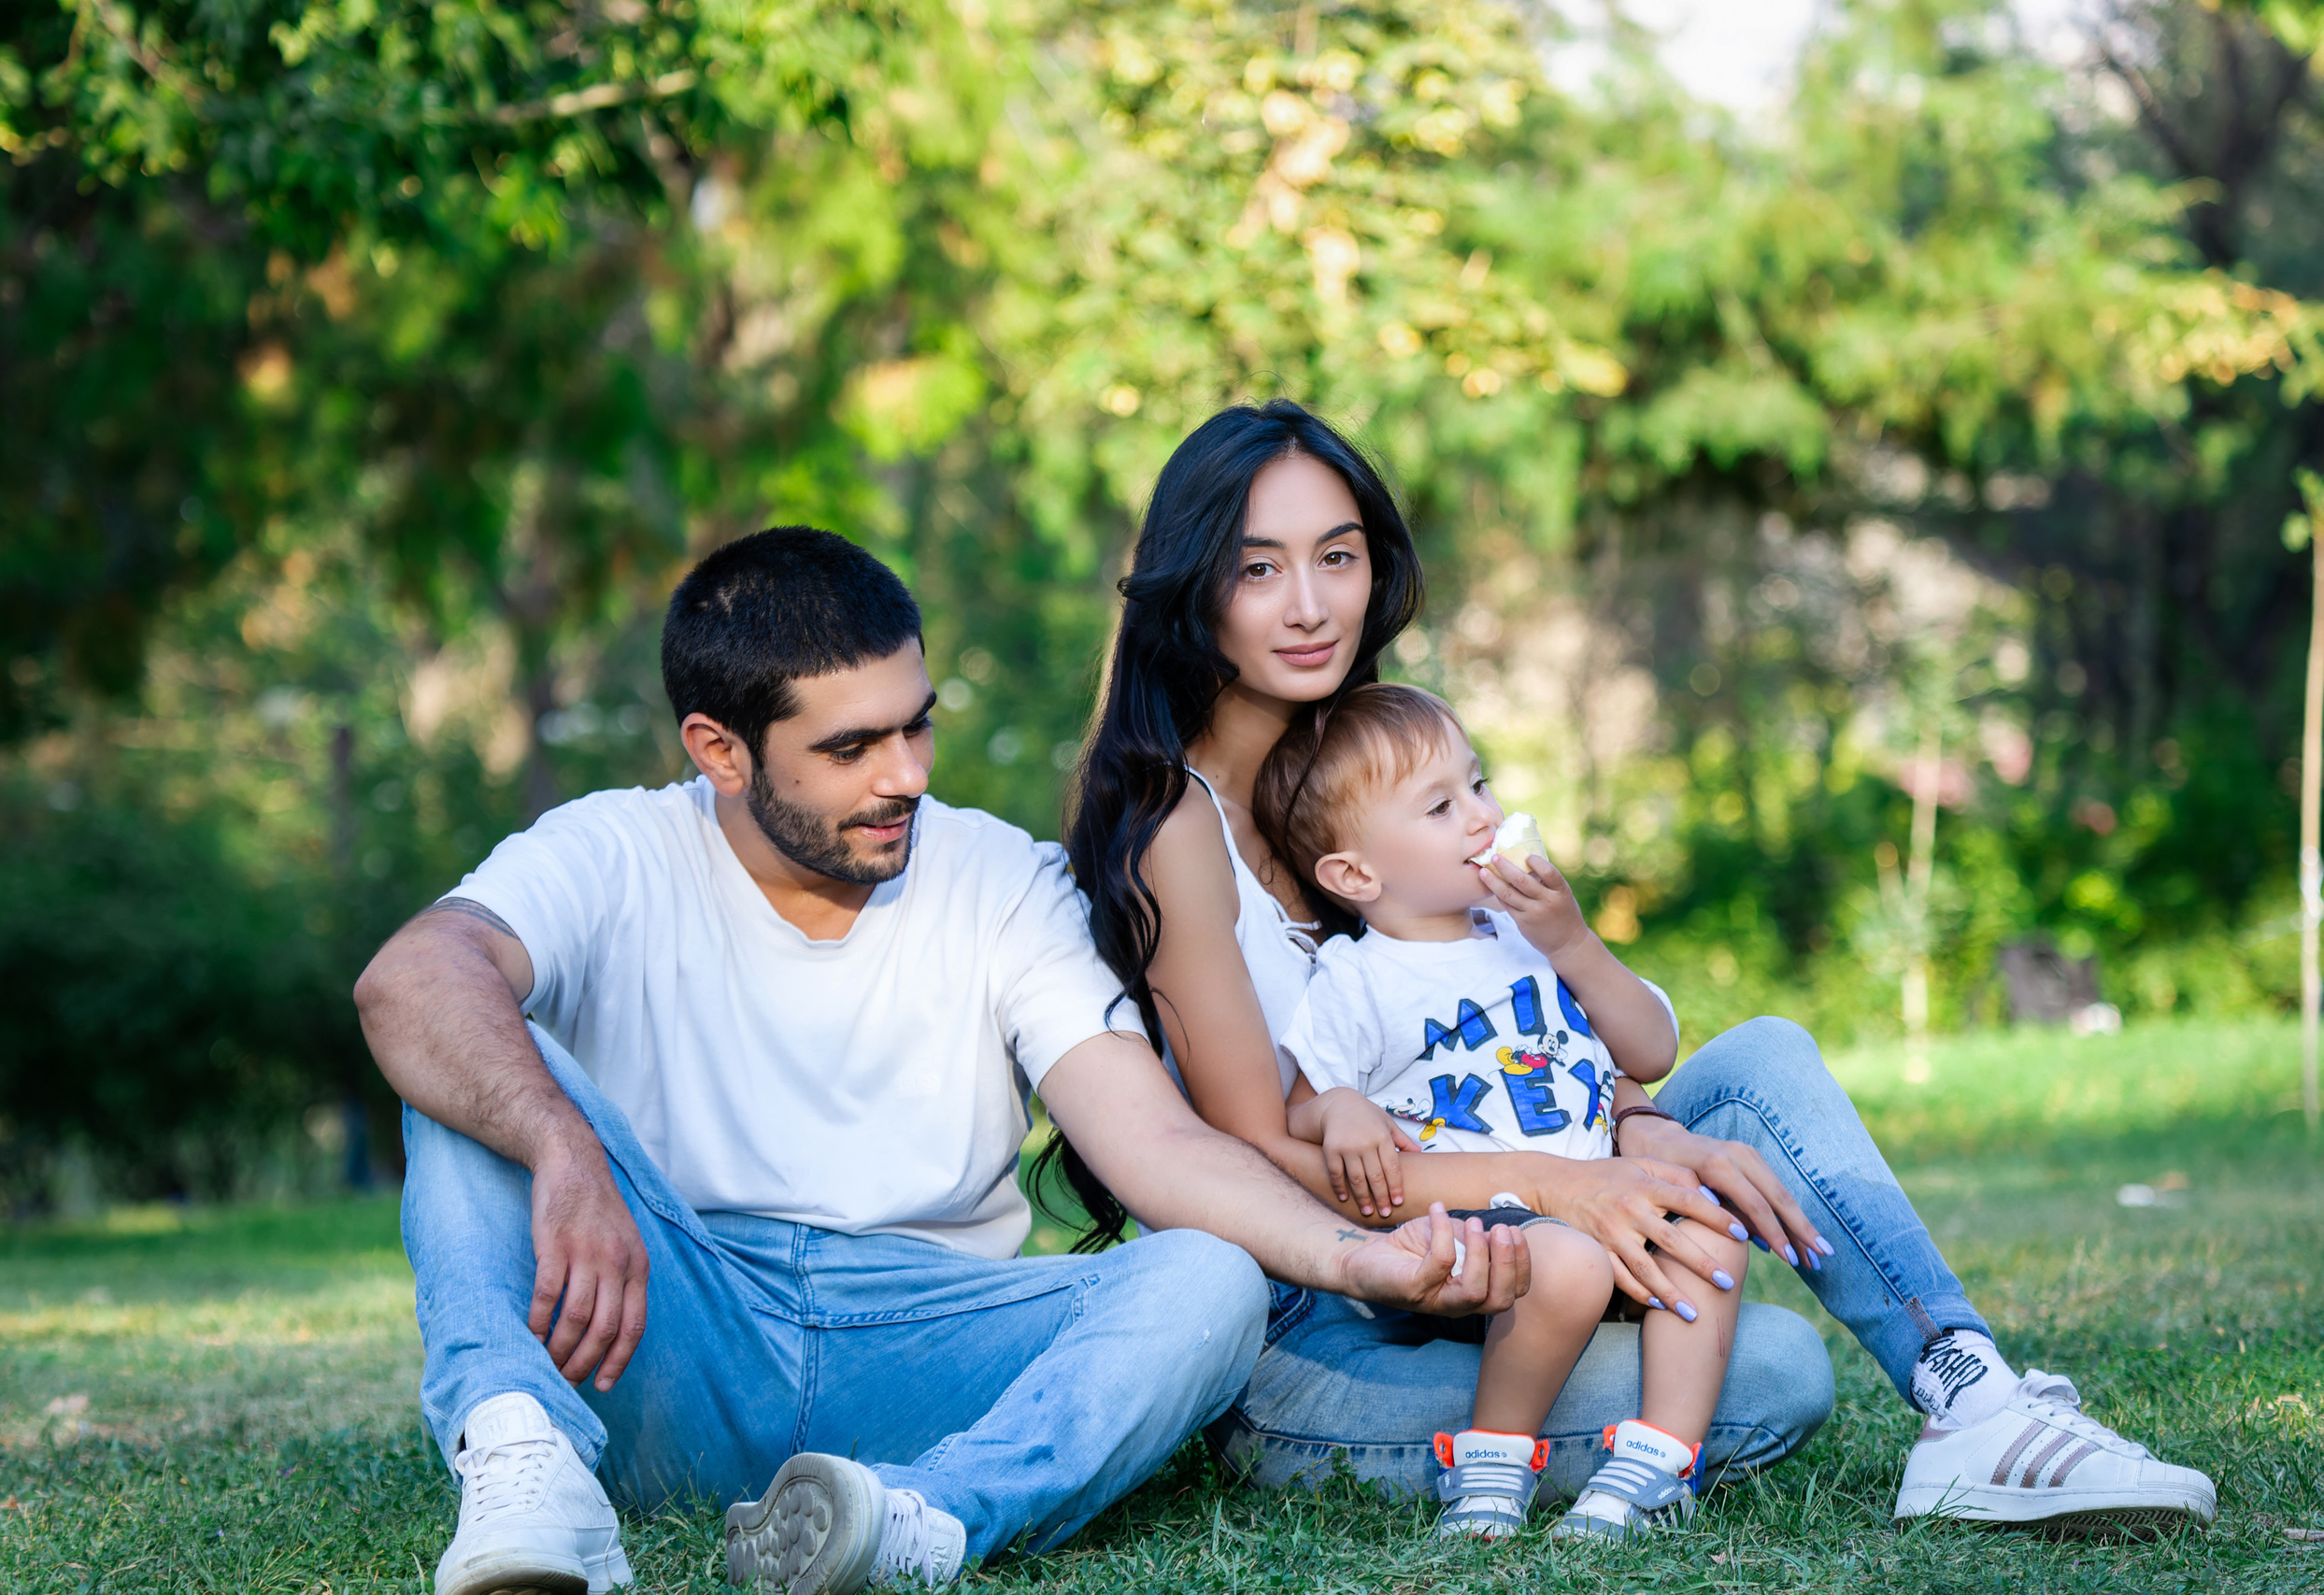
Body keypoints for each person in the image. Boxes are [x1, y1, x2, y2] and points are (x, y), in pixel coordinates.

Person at [1057, 397, 2217, 1533]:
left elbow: (1493, 1025)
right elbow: (1271, 1150)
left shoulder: (1383, 780)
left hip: (1501, 1248)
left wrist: (1629, 1122)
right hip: (1327, 1328)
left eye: (1338, 556)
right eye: (1257, 569)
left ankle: (1973, 1392)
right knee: (1770, 1371)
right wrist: (1566, 1182)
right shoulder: (1174, 826)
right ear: (1191, 586)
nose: (1309, 605)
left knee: (1758, 1062)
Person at [354, 528, 1533, 1595]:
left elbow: (1155, 1142)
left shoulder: (998, 877)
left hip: (929, 1343)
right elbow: (408, 980)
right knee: (463, 1060)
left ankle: (919, 1522)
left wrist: (1358, 1258)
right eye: (851, 746)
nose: (906, 774)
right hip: (675, 1322)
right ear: (719, 749)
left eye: (917, 723)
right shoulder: (611, 848)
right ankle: (526, 1470)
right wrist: (562, 1149)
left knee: (1207, 1279)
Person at [1264, 682, 1745, 1542]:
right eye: (1441, 806)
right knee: (1562, 1263)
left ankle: (1658, 1464)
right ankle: (1489, 1463)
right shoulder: (1359, 977)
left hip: (1607, 1202)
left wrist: (1572, 940)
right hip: (1484, 1244)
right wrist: (1339, 1108)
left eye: (1477, 784)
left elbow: (1649, 1051)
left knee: (1711, 1231)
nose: (1483, 814)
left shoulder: (1526, 931)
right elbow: (1298, 1109)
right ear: (1355, 873)